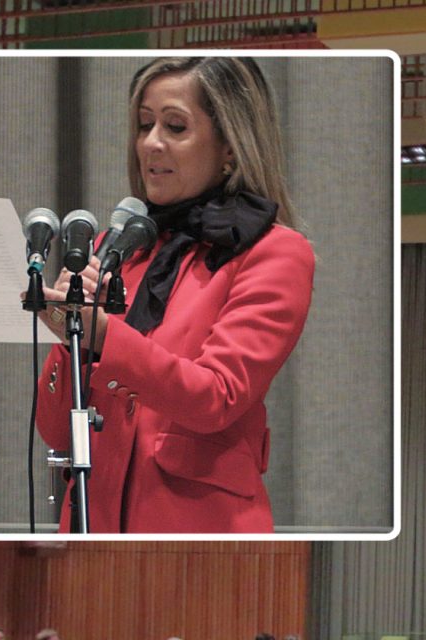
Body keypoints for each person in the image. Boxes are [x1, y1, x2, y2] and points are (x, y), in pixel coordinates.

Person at [33, 57, 314, 533]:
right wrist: (70, 336)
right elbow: (57, 431)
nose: (150, 143)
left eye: (175, 126)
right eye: (144, 125)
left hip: (201, 533)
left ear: (230, 145)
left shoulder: (275, 252)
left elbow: (217, 398)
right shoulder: (117, 247)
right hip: (90, 527)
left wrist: (104, 337)